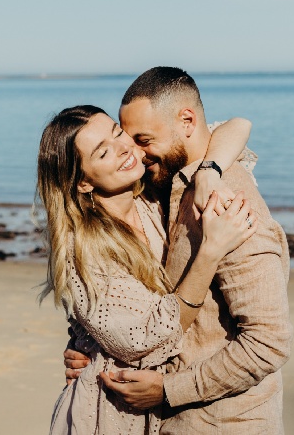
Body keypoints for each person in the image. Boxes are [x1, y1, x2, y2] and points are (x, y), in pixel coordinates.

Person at [66, 67, 293, 434]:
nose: (134, 153)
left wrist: (169, 391)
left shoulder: (229, 206)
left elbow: (270, 341)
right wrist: (90, 345)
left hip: (224, 423)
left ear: (186, 120)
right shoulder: (165, 186)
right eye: (125, 139)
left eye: (143, 139)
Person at [37, 104, 259, 434]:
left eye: (117, 132)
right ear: (82, 182)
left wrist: (209, 172)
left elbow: (237, 125)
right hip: (112, 411)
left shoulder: (152, 192)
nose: (124, 148)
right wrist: (211, 251)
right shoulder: (80, 250)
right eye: (103, 152)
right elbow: (147, 338)